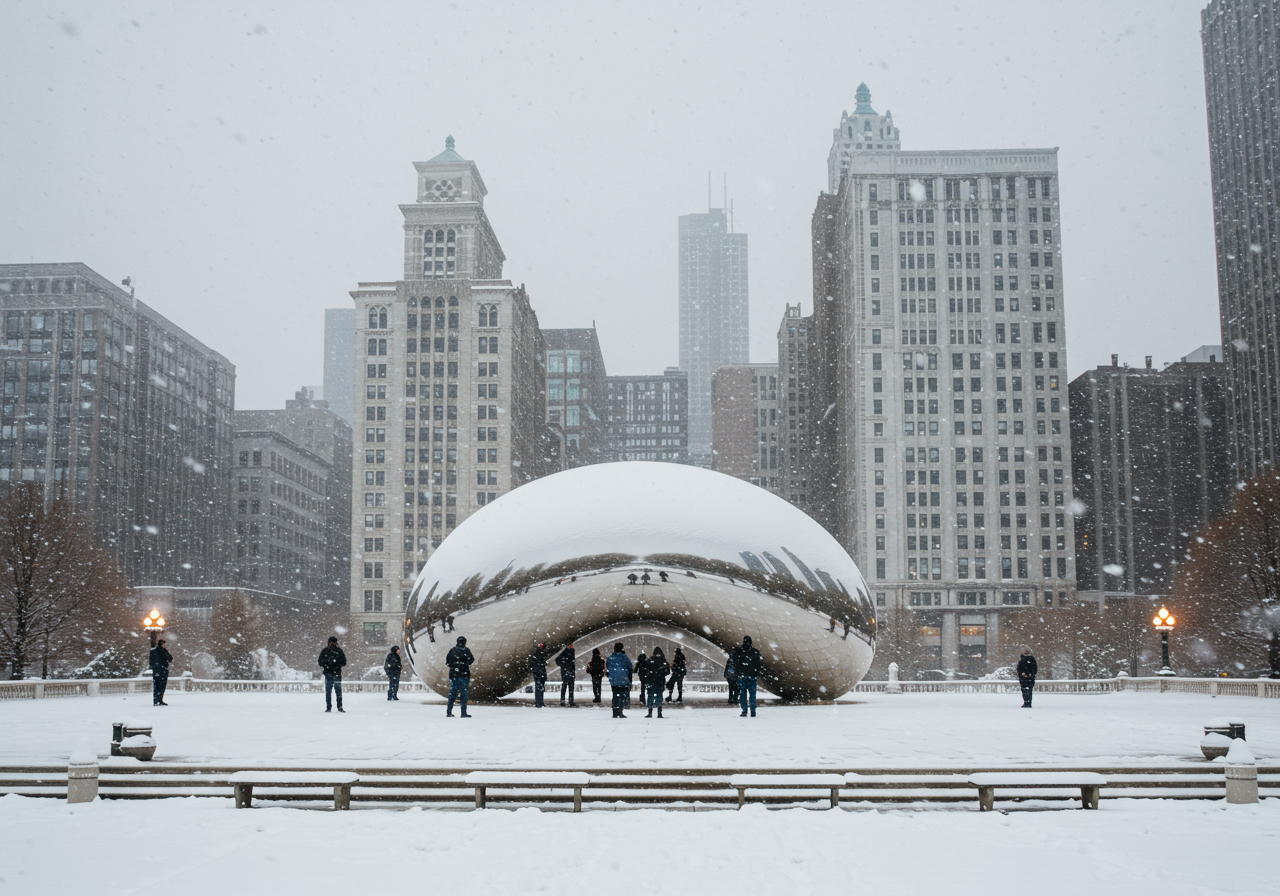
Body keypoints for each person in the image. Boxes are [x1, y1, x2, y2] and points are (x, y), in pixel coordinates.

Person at [729, 636, 763, 717]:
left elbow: (735, 663)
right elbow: (758, 664)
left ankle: (744, 710)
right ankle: (753, 711)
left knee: (742, 694)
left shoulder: (739, 652)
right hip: (752, 677)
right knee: (752, 695)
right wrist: (756, 672)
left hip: (742, 676)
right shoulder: (755, 652)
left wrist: (738, 673)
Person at [446, 635, 474, 717]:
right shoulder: (466, 650)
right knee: (463, 694)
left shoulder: (452, 650)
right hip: (464, 674)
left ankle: (449, 712)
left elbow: (448, 662)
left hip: (454, 675)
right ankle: (463, 712)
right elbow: (471, 660)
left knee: (453, 693)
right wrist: (464, 665)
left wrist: (454, 667)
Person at [319, 636, 347, 713]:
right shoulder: (338, 651)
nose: (333, 644)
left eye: (334, 642)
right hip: (334, 674)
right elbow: (343, 662)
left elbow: (320, 662)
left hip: (331, 674)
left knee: (331, 692)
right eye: (332, 642)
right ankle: (337, 707)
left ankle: (331, 707)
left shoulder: (326, 651)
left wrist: (327, 665)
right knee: (336, 692)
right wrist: (336, 664)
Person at [605, 642, 633, 718]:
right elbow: (630, 668)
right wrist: (629, 679)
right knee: (621, 696)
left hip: (614, 680)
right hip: (623, 679)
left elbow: (607, 669)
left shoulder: (611, 658)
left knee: (615, 695)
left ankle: (615, 711)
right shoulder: (624, 657)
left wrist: (610, 676)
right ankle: (620, 711)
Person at [643, 647, 670, 718]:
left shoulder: (651, 660)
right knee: (659, 696)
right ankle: (659, 712)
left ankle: (650, 712)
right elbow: (667, 671)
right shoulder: (663, 661)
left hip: (651, 681)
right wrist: (661, 674)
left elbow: (645, 669)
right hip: (660, 681)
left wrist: (649, 675)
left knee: (650, 696)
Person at [149, 638, 172, 706]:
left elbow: (151, 661)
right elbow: (170, 658)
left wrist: (154, 667)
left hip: (156, 671)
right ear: (162, 644)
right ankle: (160, 699)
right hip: (163, 670)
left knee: (156, 685)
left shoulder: (153, 651)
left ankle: (156, 700)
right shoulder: (163, 650)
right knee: (162, 686)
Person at [529, 642, 548, 707]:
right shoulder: (538, 654)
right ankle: (539, 702)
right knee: (539, 688)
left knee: (540, 687)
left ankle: (539, 702)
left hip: (539, 672)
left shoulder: (539, 653)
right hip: (539, 672)